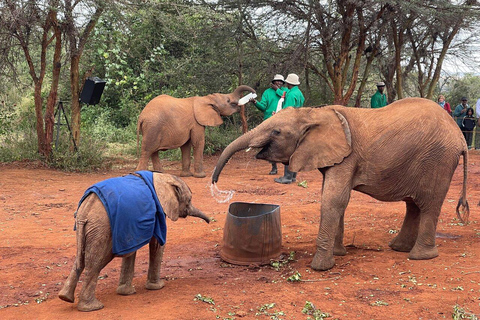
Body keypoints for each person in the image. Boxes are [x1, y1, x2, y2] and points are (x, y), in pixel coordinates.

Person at [250, 74, 287, 174]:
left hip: (282, 121)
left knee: (284, 144)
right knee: (270, 144)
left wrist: (277, 90)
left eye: (280, 81)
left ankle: (287, 169)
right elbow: (263, 107)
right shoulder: (267, 92)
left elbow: (285, 97)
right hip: (269, 121)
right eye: (277, 81)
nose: (279, 83)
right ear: (273, 82)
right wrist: (255, 102)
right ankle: (274, 167)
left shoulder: (285, 91)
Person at [274, 73, 305, 184]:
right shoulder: (299, 93)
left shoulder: (291, 95)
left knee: (287, 150)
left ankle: (287, 177)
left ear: (289, 83)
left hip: (290, 126)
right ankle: (292, 177)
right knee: (295, 151)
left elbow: (288, 111)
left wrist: (278, 117)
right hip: (299, 125)